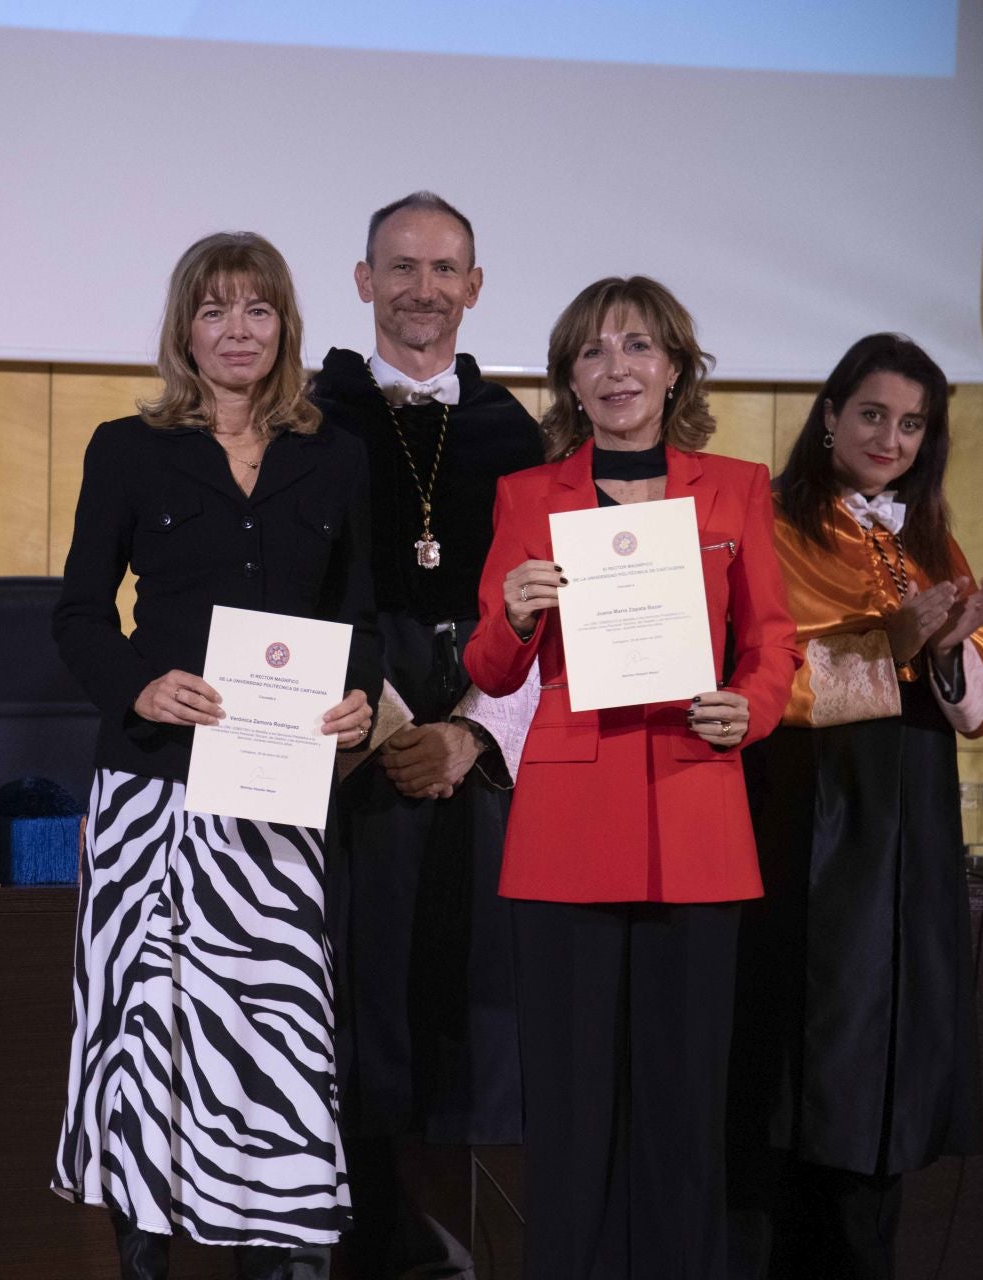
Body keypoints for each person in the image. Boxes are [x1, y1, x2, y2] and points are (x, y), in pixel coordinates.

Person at [50, 231, 381, 1280]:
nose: (238, 330)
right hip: (150, 786)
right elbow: (77, 613)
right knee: (141, 1035)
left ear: (285, 326)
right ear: (184, 329)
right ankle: (144, 1257)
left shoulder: (337, 454)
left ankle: (275, 1253)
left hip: (277, 795)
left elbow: (359, 618)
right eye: (214, 310)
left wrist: (360, 697)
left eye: (258, 309)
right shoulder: (126, 448)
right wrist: (138, 684)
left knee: (273, 1045)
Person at [461, 275, 800, 1279]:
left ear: (676, 369)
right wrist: (514, 613)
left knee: (685, 1108)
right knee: (570, 1112)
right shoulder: (528, 496)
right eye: (594, 351)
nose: (618, 368)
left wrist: (751, 707)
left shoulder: (735, 486)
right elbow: (490, 670)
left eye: (639, 346)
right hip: (566, 824)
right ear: (570, 379)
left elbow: (771, 643)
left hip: (696, 813)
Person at [726, 334, 983, 1279]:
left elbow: (980, 700)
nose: (891, 438)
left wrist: (947, 650)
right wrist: (891, 647)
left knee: (889, 1077)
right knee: (809, 1071)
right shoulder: (773, 524)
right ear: (830, 417)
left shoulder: (927, 540)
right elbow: (767, 681)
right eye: (874, 415)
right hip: (814, 817)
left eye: (913, 424)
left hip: (910, 831)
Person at [313, 191, 543, 1279]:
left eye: (444, 268)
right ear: (364, 282)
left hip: (483, 727)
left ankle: (463, 1236)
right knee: (362, 988)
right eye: (400, 267)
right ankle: (371, 1234)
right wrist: (384, 718)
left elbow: (545, 607)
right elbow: (297, 583)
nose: (422, 289)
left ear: (475, 287)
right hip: (354, 727)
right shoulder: (313, 419)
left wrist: (469, 735)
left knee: (472, 990)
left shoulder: (516, 434)